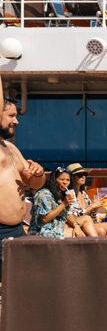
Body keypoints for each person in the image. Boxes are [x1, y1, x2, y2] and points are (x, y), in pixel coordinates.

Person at [0, 71, 45, 260]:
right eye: (11, 115)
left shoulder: (11, 148)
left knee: (21, 286)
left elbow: (35, 184)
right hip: (0, 232)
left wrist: (38, 173)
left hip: (17, 230)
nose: (16, 121)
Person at [28, 167, 73, 238]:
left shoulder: (62, 195)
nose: (65, 182)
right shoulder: (44, 194)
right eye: (62, 179)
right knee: (80, 234)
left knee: (87, 224)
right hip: (44, 231)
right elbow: (45, 219)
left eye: (67, 180)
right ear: (54, 180)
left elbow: (68, 214)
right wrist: (64, 203)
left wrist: (76, 225)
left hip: (58, 227)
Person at [63, 163, 104, 236]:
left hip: (87, 223)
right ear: (72, 177)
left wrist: (96, 208)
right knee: (101, 231)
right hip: (73, 224)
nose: (83, 177)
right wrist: (92, 206)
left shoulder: (83, 193)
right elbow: (75, 216)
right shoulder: (68, 194)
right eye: (80, 175)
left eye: (84, 174)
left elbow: (91, 215)